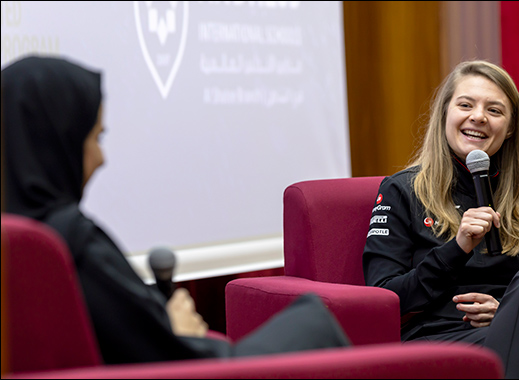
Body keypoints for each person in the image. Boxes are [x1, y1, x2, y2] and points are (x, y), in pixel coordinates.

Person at [2, 55, 351, 364]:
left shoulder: (18, 240)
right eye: (95, 138)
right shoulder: (70, 242)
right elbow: (158, 348)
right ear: (56, 144)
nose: (101, 158)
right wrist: (173, 327)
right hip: (183, 368)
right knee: (313, 320)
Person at [362, 60, 519, 379]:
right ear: (445, 114)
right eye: (465, 105)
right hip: (435, 337)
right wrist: (457, 248)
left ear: (511, 128)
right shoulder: (402, 190)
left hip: (513, 332)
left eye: (494, 110)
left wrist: (508, 311)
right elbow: (386, 299)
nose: (478, 116)